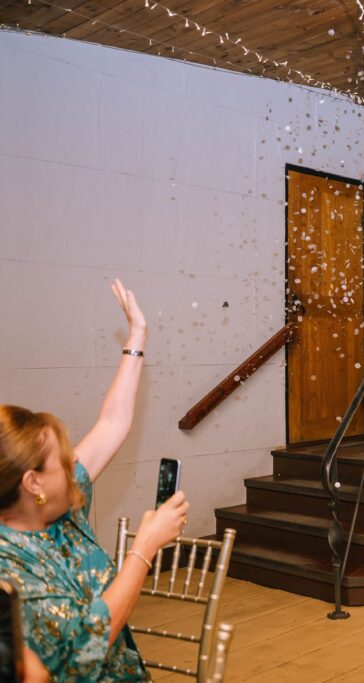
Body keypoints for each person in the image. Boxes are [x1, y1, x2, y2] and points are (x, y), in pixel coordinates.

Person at [0, 279, 190, 680]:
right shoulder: (9, 567)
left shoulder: (59, 503)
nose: (76, 465)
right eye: (63, 462)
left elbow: (112, 423)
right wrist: (145, 548)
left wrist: (137, 338)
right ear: (32, 483)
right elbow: (86, 647)